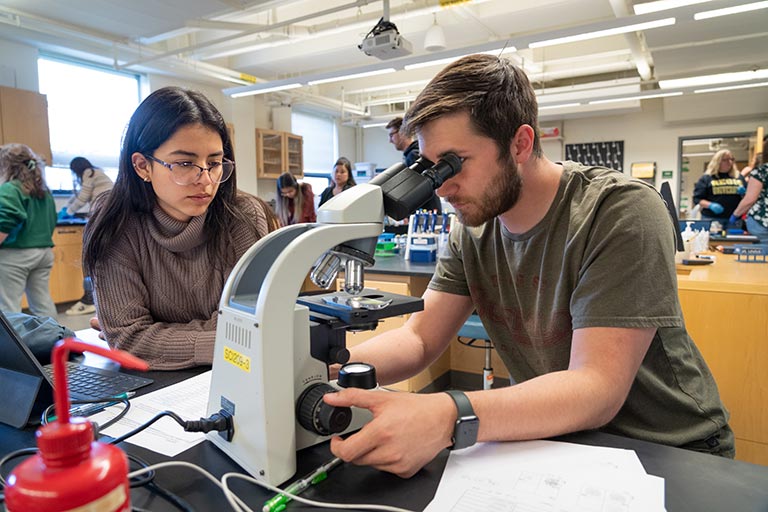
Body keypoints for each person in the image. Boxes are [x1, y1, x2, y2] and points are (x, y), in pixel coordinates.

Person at [324, 54, 733, 478]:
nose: (441, 186)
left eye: (453, 162)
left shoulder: (619, 211)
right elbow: (419, 341)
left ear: (520, 143)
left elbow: (596, 387)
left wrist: (447, 414)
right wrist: (319, 366)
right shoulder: (473, 229)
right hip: (561, 438)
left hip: (669, 448)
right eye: (430, 167)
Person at [83, 86, 278, 370]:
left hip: (241, 372)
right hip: (159, 386)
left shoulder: (243, 215)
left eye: (214, 163)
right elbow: (129, 339)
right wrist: (222, 336)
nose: (206, 180)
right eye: (185, 163)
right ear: (142, 166)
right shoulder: (114, 223)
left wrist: (159, 335)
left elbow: (255, 323)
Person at [0, 143, 58, 318]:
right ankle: (54, 340)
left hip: (16, 255)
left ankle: (10, 346)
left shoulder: (10, 189)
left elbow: (5, 222)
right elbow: (52, 220)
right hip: (43, 253)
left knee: (7, 305)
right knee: (42, 302)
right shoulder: (43, 191)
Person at [61, 156, 115, 316]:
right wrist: (66, 207)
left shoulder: (89, 172)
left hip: (103, 213)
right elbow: (79, 195)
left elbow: (83, 197)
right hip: (109, 213)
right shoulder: (95, 173)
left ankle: (90, 299)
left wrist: (67, 212)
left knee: (92, 257)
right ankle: (93, 298)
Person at [386, 117, 441, 213]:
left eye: (391, 135)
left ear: (402, 132)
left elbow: (417, 192)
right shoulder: (415, 154)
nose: (390, 141)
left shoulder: (413, 156)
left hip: (425, 213)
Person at [692, 149, 746, 226]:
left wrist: (744, 193)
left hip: (734, 218)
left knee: (734, 238)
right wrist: (710, 205)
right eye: (725, 160)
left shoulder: (738, 177)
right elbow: (697, 199)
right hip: (711, 218)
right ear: (717, 162)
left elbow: (748, 198)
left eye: (731, 159)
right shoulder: (707, 178)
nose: (729, 162)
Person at [731, 138, 768, 244]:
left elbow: (750, 199)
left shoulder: (762, 171)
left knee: (761, 255)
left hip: (762, 223)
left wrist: (735, 215)